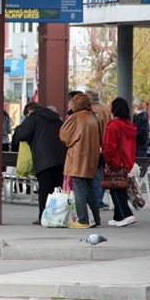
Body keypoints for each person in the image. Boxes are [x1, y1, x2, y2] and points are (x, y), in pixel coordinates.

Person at [18, 102, 66, 225]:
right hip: (61, 157)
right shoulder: (57, 119)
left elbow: (22, 135)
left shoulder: (33, 118)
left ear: (29, 111)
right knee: (57, 189)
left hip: (43, 159)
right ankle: (58, 215)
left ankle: (43, 216)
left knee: (45, 189)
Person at [59, 93, 102, 229]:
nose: (70, 105)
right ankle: (96, 219)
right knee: (90, 188)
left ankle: (83, 219)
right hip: (92, 157)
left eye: (72, 103)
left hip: (78, 157)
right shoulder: (95, 117)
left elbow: (64, 136)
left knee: (79, 188)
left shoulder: (75, 117)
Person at [102, 97, 137, 227]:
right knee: (120, 187)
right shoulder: (130, 126)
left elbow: (109, 146)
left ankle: (125, 215)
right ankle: (118, 217)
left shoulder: (113, 125)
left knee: (115, 188)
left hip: (115, 160)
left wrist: (106, 161)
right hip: (127, 161)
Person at [86, 89, 112, 209]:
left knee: (96, 173)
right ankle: (99, 198)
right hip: (106, 143)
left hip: (95, 144)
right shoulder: (105, 110)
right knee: (101, 172)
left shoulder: (91, 111)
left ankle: (97, 200)